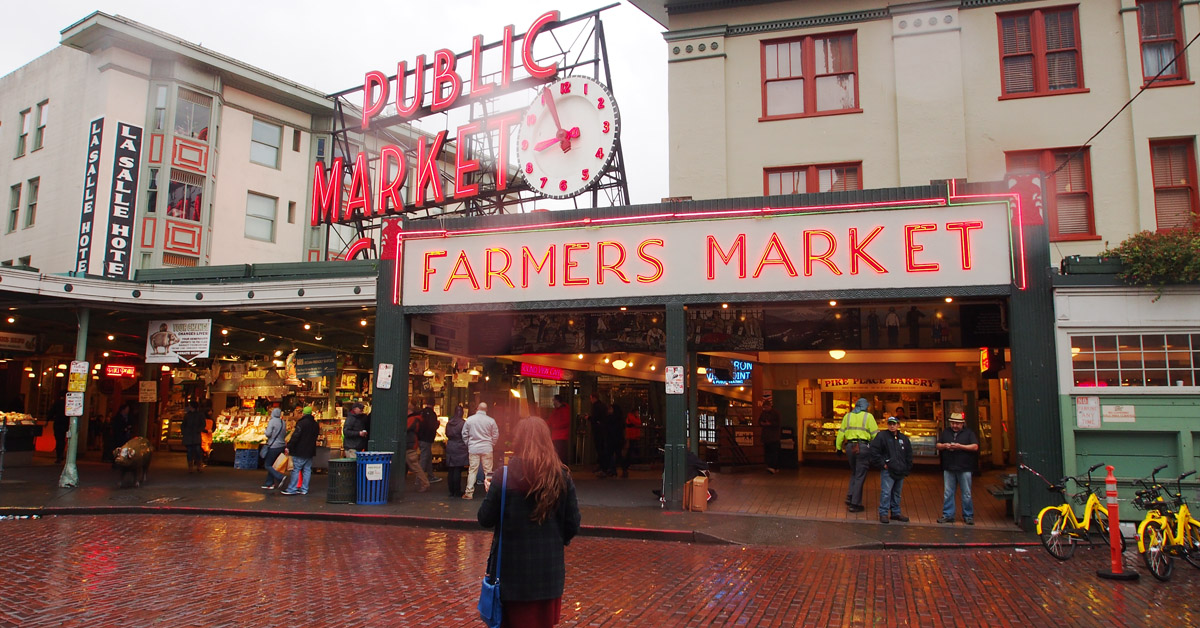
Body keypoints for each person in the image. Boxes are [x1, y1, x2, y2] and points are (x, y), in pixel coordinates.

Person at [477, 417, 581, 628]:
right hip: (548, 574)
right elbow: (573, 523)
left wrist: (491, 494)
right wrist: (556, 540)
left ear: (519, 440)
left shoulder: (503, 477)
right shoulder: (561, 476)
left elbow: (485, 518)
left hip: (511, 575)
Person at [834, 397, 877, 513]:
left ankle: (850, 496)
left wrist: (838, 448)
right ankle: (855, 504)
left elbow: (841, 433)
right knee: (860, 475)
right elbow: (875, 435)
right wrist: (877, 450)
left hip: (849, 447)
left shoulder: (847, 416)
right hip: (862, 447)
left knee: (854, 471)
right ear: (865, 406)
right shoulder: (868, 417)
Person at [937, 412, 980, 525]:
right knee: (948, 492)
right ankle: (948, 515)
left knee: (966, 493)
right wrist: (944, 446)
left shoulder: (969, 433)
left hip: (964, 467)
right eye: (953, 423)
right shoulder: (946, 432)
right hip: (949, 466)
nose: (955, 425)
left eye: (957, 423)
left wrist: (960, 446)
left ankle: (968, 515)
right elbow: (938, 445)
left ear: (962, 424)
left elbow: (975, 446)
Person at [869, 415, 913, 524]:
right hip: (888, 469)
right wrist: (883, 464)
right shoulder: (882, 436)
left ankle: (895, 512)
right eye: (890, 424)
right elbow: (874, 451)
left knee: (897, 492)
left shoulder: (904, 438)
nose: (892, 426)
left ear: (898, 425)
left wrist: (907, 468)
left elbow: (909, 454)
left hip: (900, 469)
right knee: (886, 492)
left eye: (894, 424)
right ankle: (883, 513)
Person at [462, 402, 499, 500]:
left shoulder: (469, 420)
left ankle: (469, 492)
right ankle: (490, 492)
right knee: (488, 471)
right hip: (487, 448)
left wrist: (469, 444)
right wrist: (491, 444)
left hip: (473, 448)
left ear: (477, 408)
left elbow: (464, 434)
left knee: (472, 470)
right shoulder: (491, 421)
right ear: (486, 410)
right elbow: (495, 435)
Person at [281, 406, 318, 496]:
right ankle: (304, 489)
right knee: (307, 470)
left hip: (300, 450)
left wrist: (289, 446)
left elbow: (295, 436)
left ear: (303, 413)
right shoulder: (315, 424)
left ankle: (292, 488)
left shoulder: (301, 423)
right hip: (310, 450)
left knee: (296, 469)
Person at [260, 407, 288, 489]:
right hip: (281, 445)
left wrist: (265, 431)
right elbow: (284, 433)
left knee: (267, 464)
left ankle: (280, 477)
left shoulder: (272, 421)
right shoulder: (283, 422)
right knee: (273, 465)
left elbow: (268, 434)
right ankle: (269, 483)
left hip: (273, 446)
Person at [445, 404, 468, 498]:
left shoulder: (449, 423)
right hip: (460, 447)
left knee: (451, 470)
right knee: (457, 470)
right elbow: (466, 435)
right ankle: (457, 490)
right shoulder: (463, 423)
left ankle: (451, 490)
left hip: (450, 446)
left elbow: (446, 434)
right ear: (462, 413)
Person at [405, 408, 431, 493]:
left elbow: (406, 428)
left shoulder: (412, 419)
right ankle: (424, 483)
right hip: (412, 443)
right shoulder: (417, 419)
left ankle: (425, 483)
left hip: (409, 444)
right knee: (414, 465)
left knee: (415, 466)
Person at [180, 400, 206, 474]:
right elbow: (183, 424)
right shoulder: (188, 415)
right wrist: (184, 432)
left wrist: (198, 430)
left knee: (197, 451)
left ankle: (198, 465)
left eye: (190, 406)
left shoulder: (199, 415)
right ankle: (191, 467)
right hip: (190, 435)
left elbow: (203, 424)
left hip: (195, 435)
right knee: (190, 451)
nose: (189, 407)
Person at [418, 406, 442, 484]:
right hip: (427, 439)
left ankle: (430, 475)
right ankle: (419, 479)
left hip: (421, 438)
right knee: (424, 458)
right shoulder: (432, 414)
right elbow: (432, 426)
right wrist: (438, 423)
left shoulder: (422, 412)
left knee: (427, 457)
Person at [758, 399, 782, 474]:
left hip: (773, 436)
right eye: (764, 407)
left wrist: (769, 424)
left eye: (766, 407)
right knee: (769, 452)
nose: (765, 408)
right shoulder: (765, 413)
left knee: (773, 452)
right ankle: (772, 466)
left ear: (770, 406)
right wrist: (763, 423)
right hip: (769, 436)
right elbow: (759, 421)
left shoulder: (774, 413)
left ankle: (772, 466)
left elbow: (778, 423)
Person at [588, 393, 608, 476]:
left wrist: (589, 418)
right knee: (602, 448)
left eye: (591, 398)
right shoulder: (603, 406)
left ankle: (602, 467)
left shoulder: (596, 407)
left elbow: (595, 418)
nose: (590, 400)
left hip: (597, 430)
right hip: (603, 430)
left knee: (599, 448)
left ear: (593, 398)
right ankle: (603, 466)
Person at [547, 395, 570, 464]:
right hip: (558, 436)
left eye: (553, 400)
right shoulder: (561, 410)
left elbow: (565, 422)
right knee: (559, 454)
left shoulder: (563, 410)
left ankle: (561, 469)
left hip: (560, 436)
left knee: (560, 454)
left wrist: (554, 425)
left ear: (557, 401)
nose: (553, 402)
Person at [620, 408, 643, 478]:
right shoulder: (631, 417)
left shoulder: (631, 417)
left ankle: (625, 467)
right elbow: (638, 423)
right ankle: (625, 467)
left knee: (630, 452)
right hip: (631, 437)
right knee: (629, 453)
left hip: (633, 437)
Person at [50, 394, 68, 464]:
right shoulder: (67, 404)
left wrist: (48, 420)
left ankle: (59, 455)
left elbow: (51, 412)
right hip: (65, 423)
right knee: (63, 440)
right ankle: (61, 454)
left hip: (58, 423)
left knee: (58, 440)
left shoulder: (57, 403)